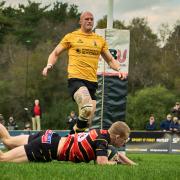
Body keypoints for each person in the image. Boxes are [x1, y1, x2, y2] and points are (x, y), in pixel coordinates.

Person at [42, 11, 127, 134]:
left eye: (91, 19)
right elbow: (55, 53)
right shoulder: (71, 37)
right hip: (76, 79)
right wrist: (49, 65)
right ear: (80, 21)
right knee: (87, 107)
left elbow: (110, 60)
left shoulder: (99, 40)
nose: (89, 21)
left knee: (87, 122)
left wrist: (119, 69)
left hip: (92, 82)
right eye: (86, 19)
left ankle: (70, 139)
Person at [0, 121, 136, 165]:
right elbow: (102, 164)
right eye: (124, 139)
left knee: (8, 141)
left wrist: (132, 164)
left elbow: (116, 153)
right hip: (48, 147)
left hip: (50, 137)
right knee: (3, 158)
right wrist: (115, 163)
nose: (124, 142)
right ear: (117, 137)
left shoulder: (102, 133)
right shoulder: (102, 141)